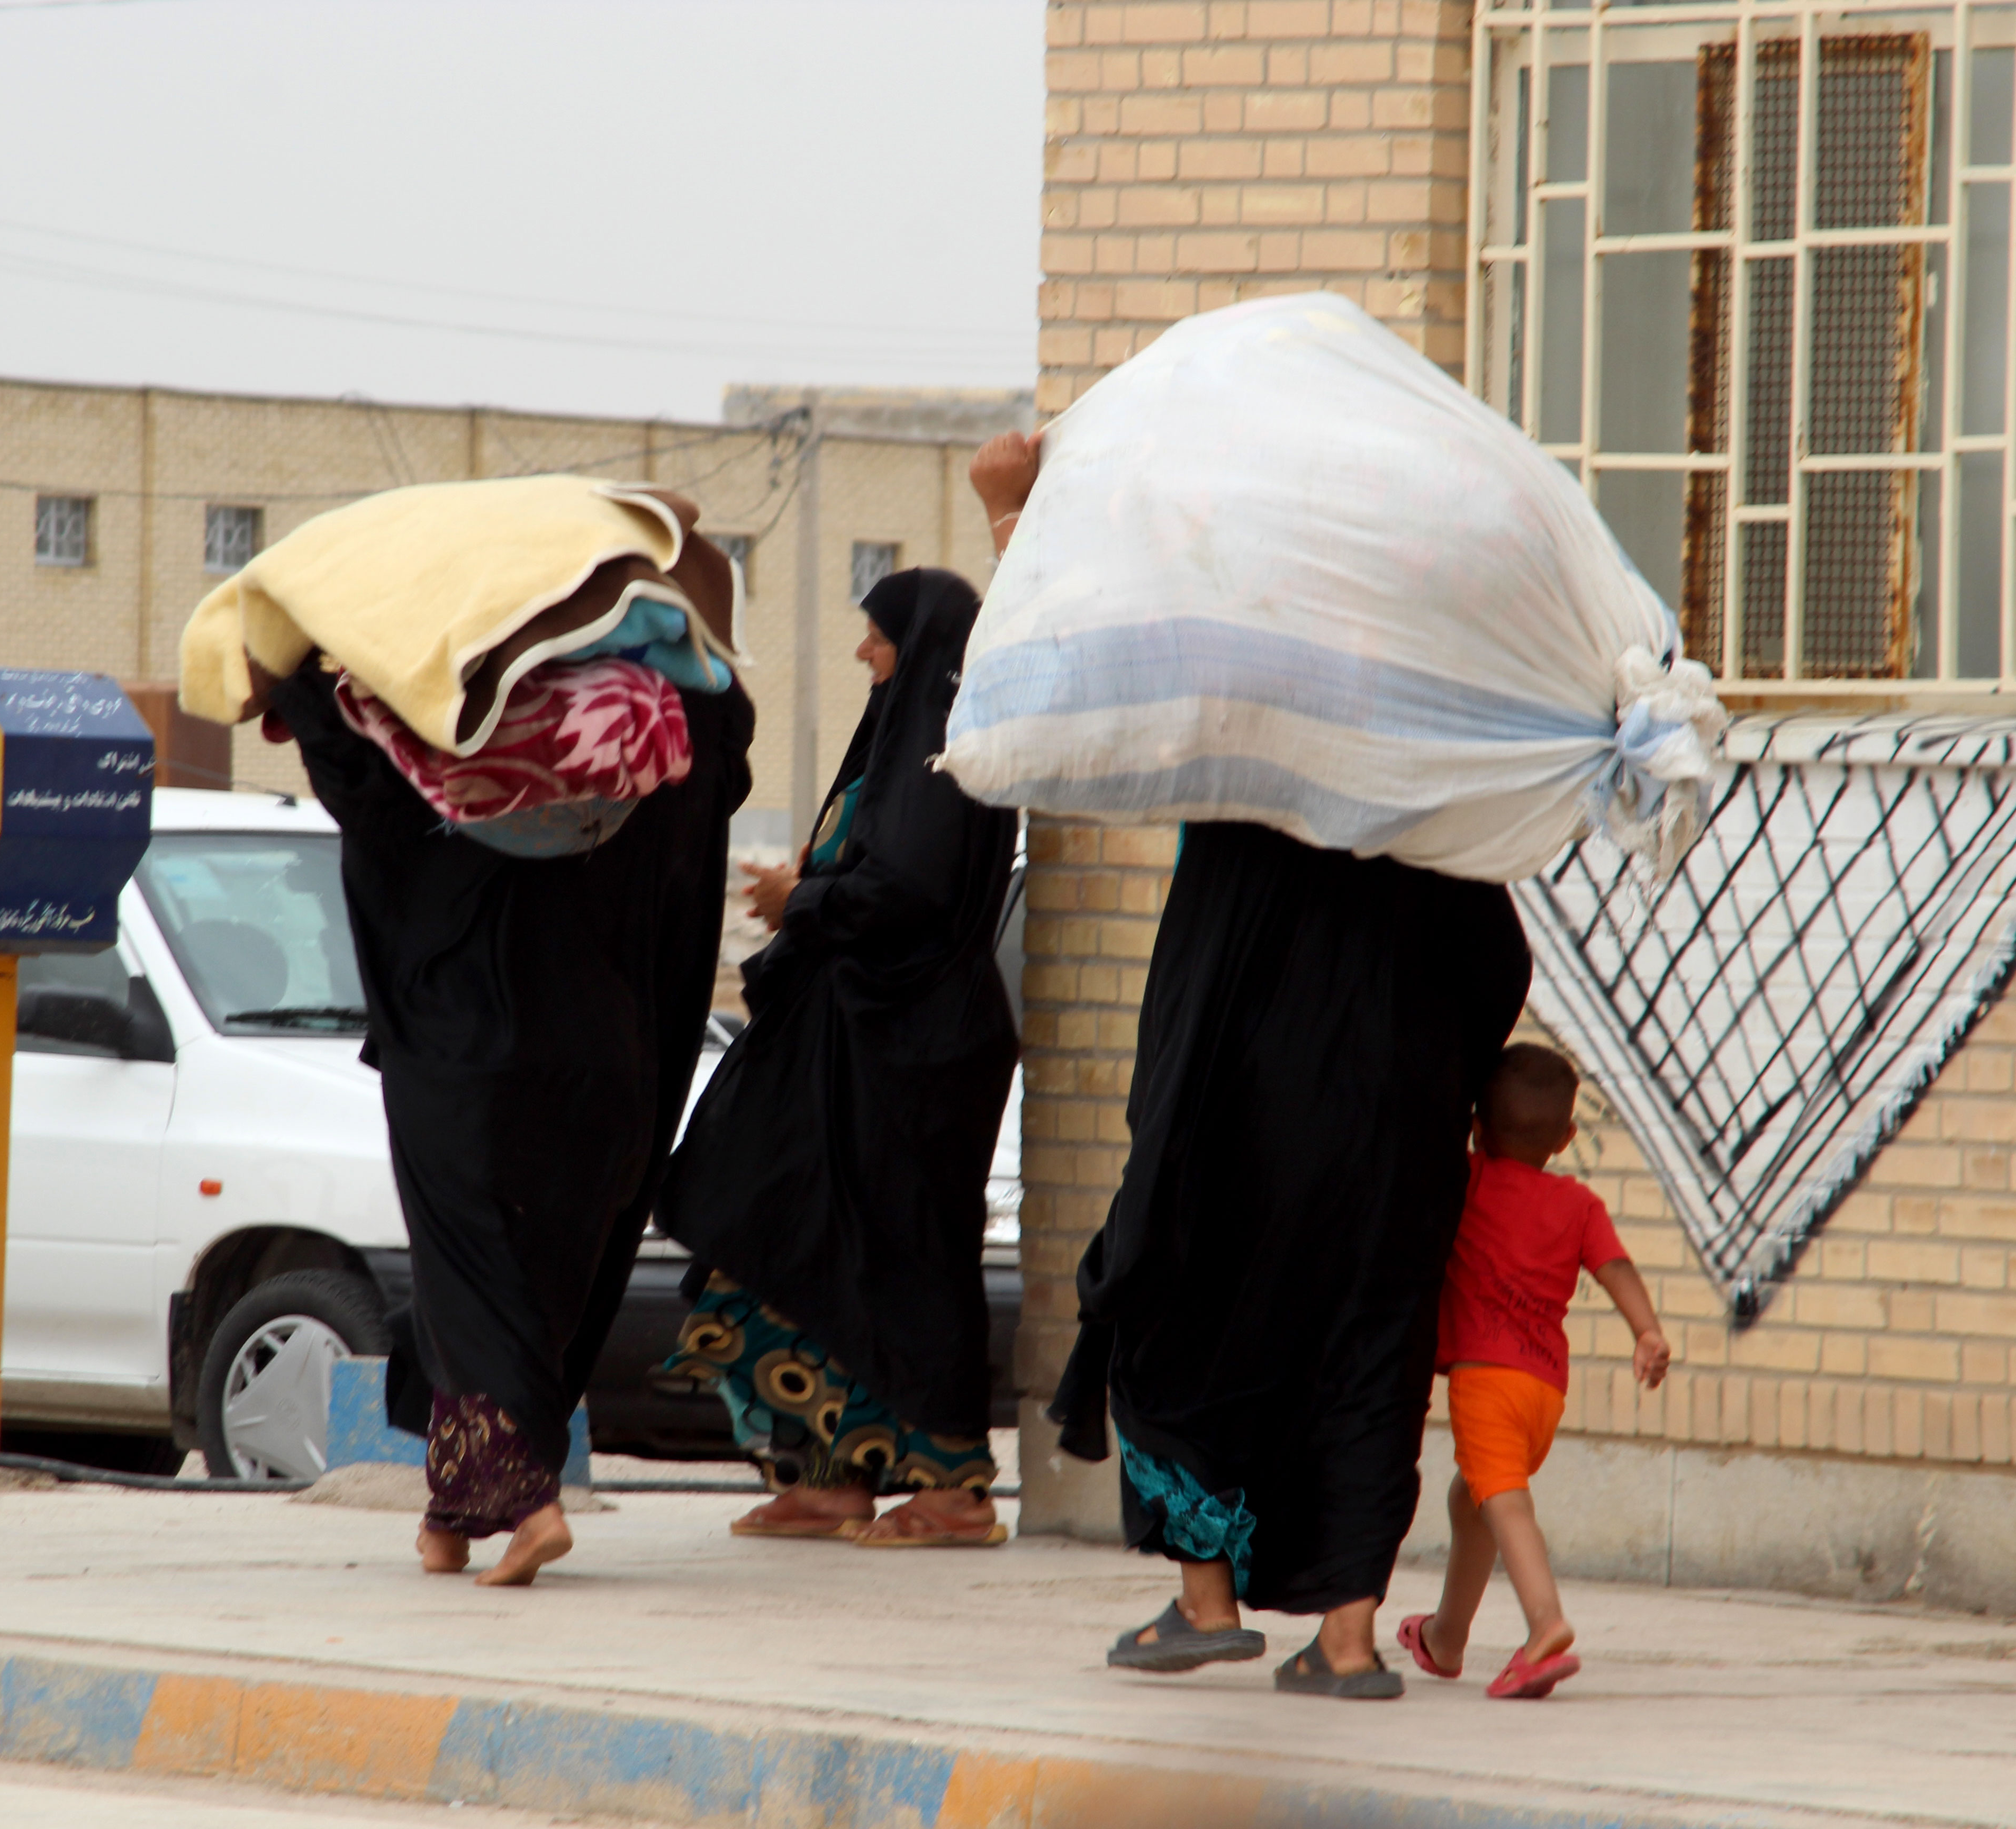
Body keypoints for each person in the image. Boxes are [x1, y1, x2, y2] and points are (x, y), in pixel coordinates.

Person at [970, 431, 1534, 1698]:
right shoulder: (1430, 782)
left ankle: (1203, 1596)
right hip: (1389, 1126)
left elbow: (1072, 687)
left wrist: (1013, 516)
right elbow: (1494, 965)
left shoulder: (1238, 744)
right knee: (1361, 1353)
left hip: (1229, 1111)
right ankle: (1342, 1641)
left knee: (1170, 1309)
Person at [264, 631, 753, 1588]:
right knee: (533, 1283)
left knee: (471, 1275)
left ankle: (529, 1505)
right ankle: (448, 1518)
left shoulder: (439, 763)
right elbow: (724, 734)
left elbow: (352, 775)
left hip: (465, 1056)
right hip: (604, 1059)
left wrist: (294, 670)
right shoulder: (632, 757)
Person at [658, 567, 1019, 1547]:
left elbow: (904, 888)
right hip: (849, 1039)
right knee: (792, 1225)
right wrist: (809, 889)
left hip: (913, 1047)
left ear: (926, 649)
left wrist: (801, 901)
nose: (863, 651)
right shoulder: (901, 748)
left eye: (877, 636)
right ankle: (829, 1472)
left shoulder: (945, 750)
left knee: (907, 1253)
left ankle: (952, 1487)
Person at [1396, 1043, 1669, 1699]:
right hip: (1544, 1389)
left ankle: (1544, 1627)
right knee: (1472, 1502)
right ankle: (1445, 1637)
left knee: (1505, 1505)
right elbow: (1616, 1270)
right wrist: (1648, 1331)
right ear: (1568, 1137)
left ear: (1476, 1129)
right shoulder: (1578, 1205)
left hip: (1486, 1384)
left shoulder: (1469, 1181)